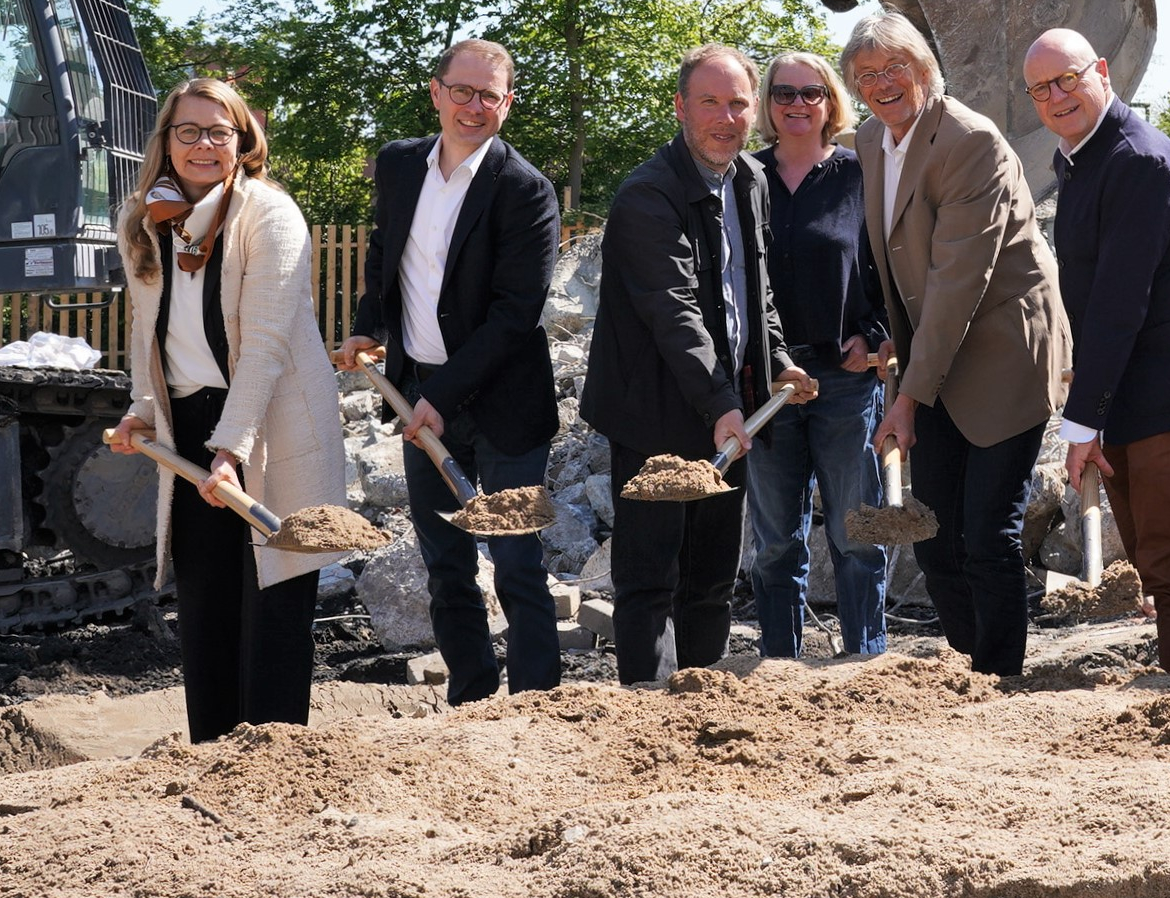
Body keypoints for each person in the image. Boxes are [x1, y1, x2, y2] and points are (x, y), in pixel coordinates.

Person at [109, 78, 352, 743]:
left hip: (271, 425)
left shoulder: (269, 215)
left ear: (243, 143)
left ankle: (272, 762)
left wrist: (230, 449)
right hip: (190, 426)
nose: (204, 145)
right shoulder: (145, 220)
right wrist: (142, 411)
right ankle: (213, 756)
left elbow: (266, 345)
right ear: (167, 141)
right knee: (206, 601)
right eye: (189, 131)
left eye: (221, 132)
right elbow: (147, 330)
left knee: (273, 601)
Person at [335, 38, 561, 708]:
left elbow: (515, 314)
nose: (474, 106)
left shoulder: (525, 190)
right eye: (462, 90)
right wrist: (370, 326)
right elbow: (385, 252)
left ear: (507, 104)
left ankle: (538, 708)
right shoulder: (400, 165)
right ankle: (470, 699)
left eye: (489, 95)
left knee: (517, 562)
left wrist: (440, 393)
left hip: (506, 408)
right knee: (446, 566)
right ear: (437, 92)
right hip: (420, 396)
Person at [581, 43, 816, 684]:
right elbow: (674, 312)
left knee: (712, 577)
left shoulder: (750, 182)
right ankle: (645, 708)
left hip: (725, 407)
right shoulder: (646, 196)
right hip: (653, 413)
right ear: (681, 107)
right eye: (710, 102)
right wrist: (723, 406)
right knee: (650, 577)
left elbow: (755, 294)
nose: (725, 118)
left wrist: (777, 361)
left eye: (737, 103)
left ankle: (703, 702)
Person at [849, 12, 1069, 678]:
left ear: (926, 70)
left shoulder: (971, 142)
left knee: (987, 536)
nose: (883, 83)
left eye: (896, 68)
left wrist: (906, 399)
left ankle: (1001, 681)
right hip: (933, 354)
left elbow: (956, 282)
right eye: (867, 74)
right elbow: (889, 256)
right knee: (935, 539)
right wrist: (885, 344)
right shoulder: (870, 139)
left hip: (1003, 352)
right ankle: (969, 670)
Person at [1029, 27, 1170, 681]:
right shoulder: (1084, 155)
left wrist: (1081, 422)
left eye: (1067, 78)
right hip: (1128, 386)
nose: (1056, 96)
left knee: (1168, 557)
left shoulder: (1136, 159)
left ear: (1101, 71)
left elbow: (1121, 302)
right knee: (1168, 556)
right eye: (1041, 89)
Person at [744, 51, 889, 658]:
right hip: (769, 381)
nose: (798, 104)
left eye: (812, 92)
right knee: (777, 538)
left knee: (857, 531)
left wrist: (875, 333)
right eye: (784, 93)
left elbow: (892, 263)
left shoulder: (862, 175)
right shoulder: (744, 177)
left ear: (831, 102)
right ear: (767, 103)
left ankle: (866, 655)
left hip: (845, 379)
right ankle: (779, 662)